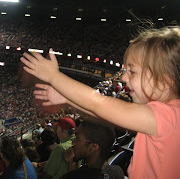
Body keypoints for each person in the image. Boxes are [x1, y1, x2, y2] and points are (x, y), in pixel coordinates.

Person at [20, 26, 180, 179]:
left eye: (132, 72)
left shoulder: (165, 117)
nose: (124, 78)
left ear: (164, 81)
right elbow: (106, 117)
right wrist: (68, 100)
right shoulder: (166, 116)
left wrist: (54, 77)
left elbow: (98, 104)